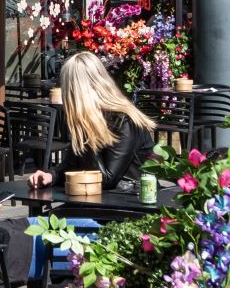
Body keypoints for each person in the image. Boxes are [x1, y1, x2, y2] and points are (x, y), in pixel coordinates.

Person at [28, 51, 158, 191]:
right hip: (101, 201)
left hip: (132, 201)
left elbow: (106, 180)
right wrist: (50, 176)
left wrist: (87, 133)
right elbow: (71, 163)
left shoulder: (124, 121)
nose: (65, 97)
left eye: (67, 90)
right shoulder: (89, 121)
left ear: (78, 93)